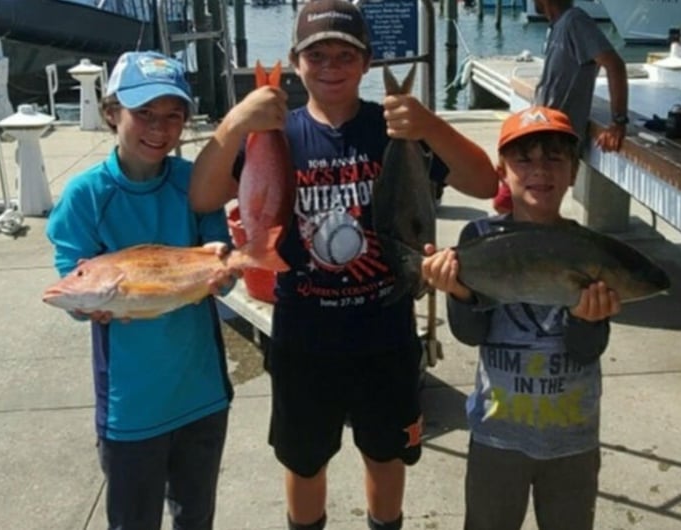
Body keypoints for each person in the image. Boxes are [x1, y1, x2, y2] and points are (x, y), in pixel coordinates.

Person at [189, 1, 498, 528]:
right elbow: (203, 196)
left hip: (385, 331)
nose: (331, 66)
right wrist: (236, 122)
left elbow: (485, 183)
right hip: (303, 336)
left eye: (344, 55)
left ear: (367, 62)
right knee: (304, 460)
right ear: (295, 60)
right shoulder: (274, 132)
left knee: (386, 453)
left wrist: (431, 126)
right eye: (317, 55)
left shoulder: (397, 129)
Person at [46, 51, 238, 529]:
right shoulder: (86, 196)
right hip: (131, 404)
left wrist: (225, 272)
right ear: (112, 113)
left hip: (202, 391)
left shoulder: (193, 180)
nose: (159, 127)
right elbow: (73, 277)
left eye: (173, 115)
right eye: (143, 113)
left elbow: (222, 257)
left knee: (197, 517)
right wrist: (87, 309)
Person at [422, 106, 621, 530]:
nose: (540, 171)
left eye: (554, 158)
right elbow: (471, 333)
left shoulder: (591, 248)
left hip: (572, 437)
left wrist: (588, 319)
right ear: (503, 172)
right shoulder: (478, 238)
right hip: (497, 433)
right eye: (524, 160)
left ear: (573, 171)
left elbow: (586, 350)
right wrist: (458, 291)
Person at [493, 0, 629, 213]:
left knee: (512, 204)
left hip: (554, 137)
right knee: (508, 200)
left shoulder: (575, 21)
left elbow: (615, 65)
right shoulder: (558, 25)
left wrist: (618, 121)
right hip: (537, 129)